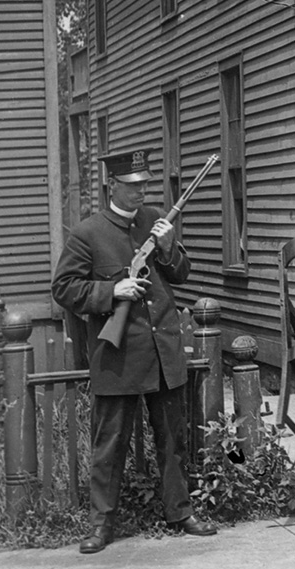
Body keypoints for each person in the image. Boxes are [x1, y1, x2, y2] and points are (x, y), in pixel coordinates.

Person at [51, 149, 217, 555]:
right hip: (119, 354)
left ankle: (180, 512)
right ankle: (101, 526)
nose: (141, 191)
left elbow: (180, 273)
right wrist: (112, 291)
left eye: (144, 184)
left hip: (162, 351)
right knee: (110, 444)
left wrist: (167, 246)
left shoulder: (157, 221)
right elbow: (64, 288)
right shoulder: (87, 233)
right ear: (113, 186)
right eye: (132, 186)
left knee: (172, 439)